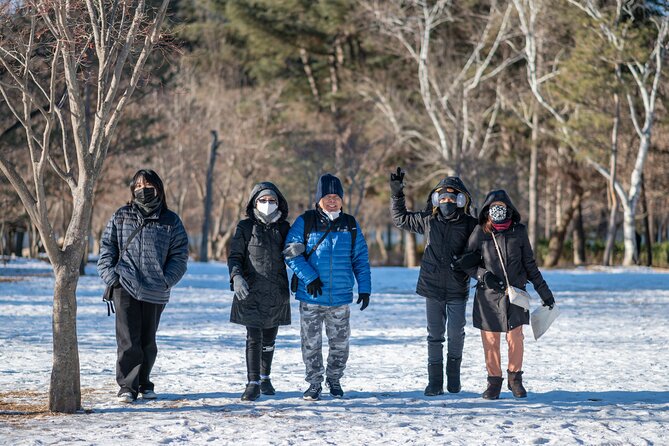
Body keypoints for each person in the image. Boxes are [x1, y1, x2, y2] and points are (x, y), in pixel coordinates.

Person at [98, 169, 189, 403]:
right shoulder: (121, 216)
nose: (143, 190)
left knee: (148, 340)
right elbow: (107, 248)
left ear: (158, 188)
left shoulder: (171, 221)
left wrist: (166, 279)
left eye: (147, 185)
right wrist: (112, 277)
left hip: (155, 289)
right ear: (132, 190)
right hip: (125, 285)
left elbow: (179, 255)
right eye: (138, 186)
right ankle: (128, 386)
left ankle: (144, 382)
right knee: (128, 339)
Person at [389, 167, 478, 396]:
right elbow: (400, 219)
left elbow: (480, 250)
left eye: (452, 197)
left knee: (456, 333)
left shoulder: (470, 224)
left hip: (458, 287)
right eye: (443, 197)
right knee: (434, 335)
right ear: (436, 199)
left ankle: (454, 379)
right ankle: (435, 382)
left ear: (461, 199)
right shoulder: (429, 220)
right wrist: (397, 195)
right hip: (432, 286)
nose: (447, 201)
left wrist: (467, 261)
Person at [284, 173, 371, 401]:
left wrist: (365, 288)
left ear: (341, 199)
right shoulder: (305, 221)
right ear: (318, 199)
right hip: (311, 296)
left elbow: (360, 258)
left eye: (336, 196)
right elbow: (291, 252)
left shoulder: (350, 224)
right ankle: (314, 384)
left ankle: (334, 379)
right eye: (327, 196)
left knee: (340, 345)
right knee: (311, 345)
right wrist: (309, 277)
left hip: (340, 298)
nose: (332, 200)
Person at [462, 189, 556, 399]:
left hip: (515, 294)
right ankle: (493, 382)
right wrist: (483, 276)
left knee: (516, 338)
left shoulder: (519, 231)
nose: (497, 211)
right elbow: (466, 262)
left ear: (509, 209)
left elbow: (530, 265)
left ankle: (515, 380)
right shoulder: (480, 231)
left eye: (502, 207)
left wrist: (545, 293)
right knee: (491, 340)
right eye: (494, 207)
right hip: (488, 296)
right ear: (487, 209)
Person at [228, 182, 291, 401]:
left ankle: (265, 377)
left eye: (271, 200)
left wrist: (298, 251)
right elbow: (235, 256)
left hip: (276, 291)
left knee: (270, 339)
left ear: (278, 202)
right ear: (254, 202)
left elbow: (294, 257)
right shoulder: (245, 227)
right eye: (262, 200)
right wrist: (236, 277)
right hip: (250, 290)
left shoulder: (284, 228)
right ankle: (252, 382)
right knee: (253, 337)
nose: (267, 204)